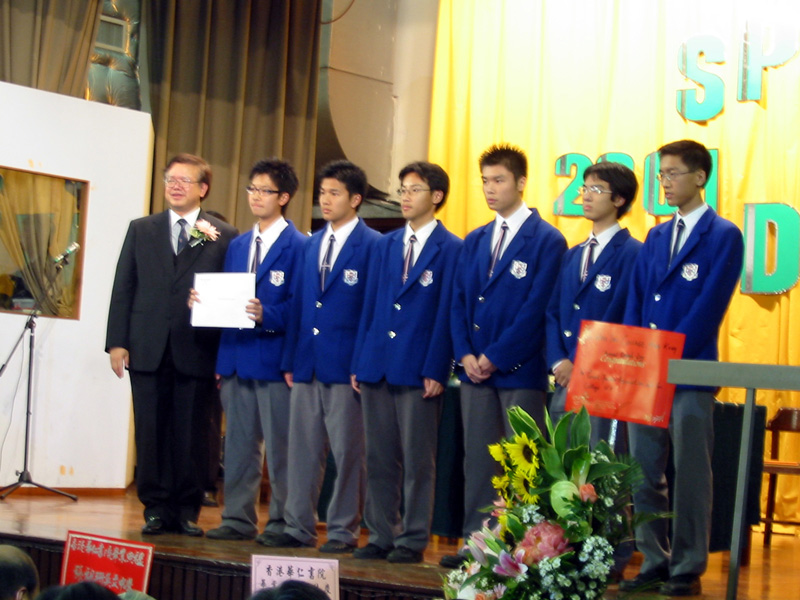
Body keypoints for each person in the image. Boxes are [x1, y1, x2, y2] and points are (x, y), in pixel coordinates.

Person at [620, 140, 744, 597]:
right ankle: (653, 558)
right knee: (643, 470)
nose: (665, 183)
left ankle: (687, 566)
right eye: (661, 175)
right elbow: (636, 299)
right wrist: (636, 353)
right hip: (646, 371)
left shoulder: (724, 234)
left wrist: (666, 356)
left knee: (691, 472)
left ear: (700, 177)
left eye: (673, 173)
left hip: (690, 372)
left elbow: (709, 307)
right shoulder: (655, 236)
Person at [442, 143, 567, 568]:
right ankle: (476, 545)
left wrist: (495, 355)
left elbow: (537, 309)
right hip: (474, 371)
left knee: (520, 464)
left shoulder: (547, 239)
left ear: (521, 182)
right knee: (478, 462)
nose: (490, 189)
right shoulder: (475, 238)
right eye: (484, 181)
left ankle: (516, 547)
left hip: (519, 371)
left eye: (498, 180)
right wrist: (465, 354)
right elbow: (458, 301)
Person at [106, 153, 236, 536]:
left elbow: (231, 293)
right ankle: (155, 508)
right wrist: (117, 342)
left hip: (197, 347)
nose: (175, 186)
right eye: (170, 180)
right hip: (146, 346)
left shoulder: (224, 235)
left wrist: (221, 341)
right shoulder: (141, 228)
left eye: (185, 180)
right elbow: (124, 286)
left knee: (193, 432)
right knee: (150, 430)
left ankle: (187, 510)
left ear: (203, 188)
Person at [260, 160, 381, 552]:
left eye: (334, 193)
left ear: (356, 199)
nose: (325, 200)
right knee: (302, 451)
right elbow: (298, 305)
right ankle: (299, 526)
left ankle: (343, 530)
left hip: (346, 368)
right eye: (322, 193)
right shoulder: (311, 243)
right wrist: (290, 360)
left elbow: (372, 312)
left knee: (348, 456)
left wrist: (363, 363)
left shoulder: (374, 245)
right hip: (307, 363)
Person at [350, 162, 463, 563]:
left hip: (418, 369)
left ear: (436, 196)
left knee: (418, 461)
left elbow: (448, 313)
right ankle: (382, 533)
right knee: (379, 457)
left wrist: (437, 367)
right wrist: (360, 359)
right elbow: (369, 306)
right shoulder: (385, 245)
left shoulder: (452, 248)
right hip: (376, 363)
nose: (405, 197)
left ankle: (413, 539)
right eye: (402, 189)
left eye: (415, 189)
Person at [202, 159, 305, 541]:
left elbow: (303, 306)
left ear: (284, 197)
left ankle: (282, 522)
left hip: (275, 360)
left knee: (281, 450)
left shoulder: (300, 246)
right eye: (252, 189)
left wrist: (268, 314)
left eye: (265, 190)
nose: (256, 196)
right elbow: (228, 298)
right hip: (235, 357)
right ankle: (237, 519)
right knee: (239, 447)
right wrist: (205, 303)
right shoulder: (239, 244)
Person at [546, 161, 642, 446]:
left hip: (604, 380)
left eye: (597, 189)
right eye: (585, 188)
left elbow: (621, 316)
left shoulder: (634, 253)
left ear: (619, 199)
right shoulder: (573, 254)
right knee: (562, 463)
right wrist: (558, 360)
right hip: (564, 378)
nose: (586, 195)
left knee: (599, 463)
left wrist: (579, 361)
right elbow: (553, 312)